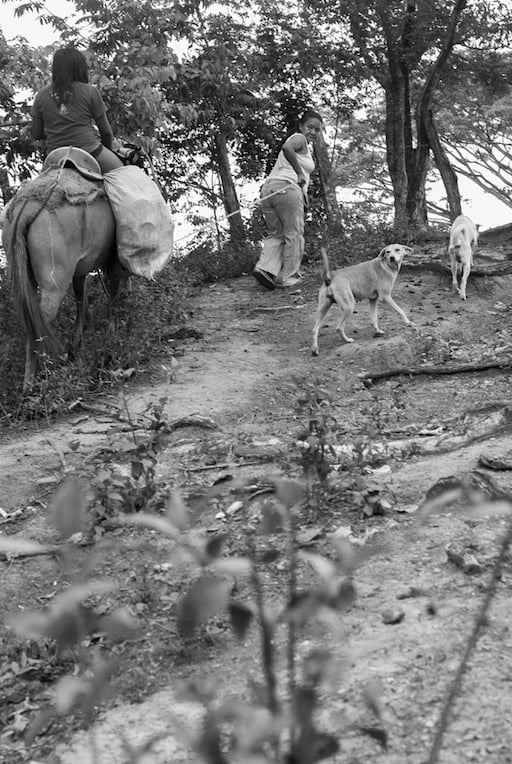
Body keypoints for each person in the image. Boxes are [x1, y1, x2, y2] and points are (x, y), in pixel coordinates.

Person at [253, 110, 323, 289]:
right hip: (287, 188)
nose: (313, 132)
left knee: (276, 233)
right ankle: (289, 277)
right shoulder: (299, 138)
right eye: (310, 127)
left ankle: (265, 269)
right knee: (294, 233)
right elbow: (287, 148)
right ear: (301, 126)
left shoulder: (303, 145)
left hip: (270, 189)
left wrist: (303, 195)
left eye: (318, 129)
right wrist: (299, 173)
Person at [31, 46, 124, 174]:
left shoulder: (41, 95)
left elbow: (36, 133)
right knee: (124, 175)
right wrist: (107, 151)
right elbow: (106, 133)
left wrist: (58, 131)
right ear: (80, 67)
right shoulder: (90, 91)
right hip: (90, 151)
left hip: (55, 157)